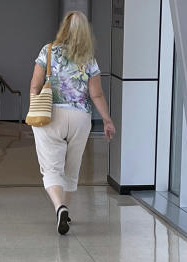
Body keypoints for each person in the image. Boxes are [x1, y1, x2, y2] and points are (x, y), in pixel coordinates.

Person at [29, 11, 115, 235]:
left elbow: (35, 86)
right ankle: (65, 208)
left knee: (51, 168)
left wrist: (33, 112)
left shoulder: (47, 51)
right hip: (80, 118)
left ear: (63, 28)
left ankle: (59, 207)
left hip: (50, 115)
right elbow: (96, 95)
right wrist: (106, 119)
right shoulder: (89, 58)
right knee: (71, 168)